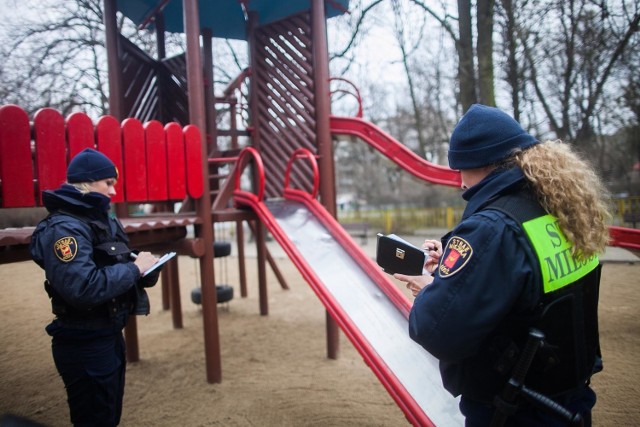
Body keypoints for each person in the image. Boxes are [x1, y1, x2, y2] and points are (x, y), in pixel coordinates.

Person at [394, 104, 610, 426]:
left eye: (460, 169)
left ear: (480, 165)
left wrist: (429, 289)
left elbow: (438, 331)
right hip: (568, 398)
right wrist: (459, 268)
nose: (460, 183)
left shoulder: (492, 227)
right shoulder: (555, 208)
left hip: (513, 410)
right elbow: (526, 282)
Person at [29, 148, 161, 427]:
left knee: (108, 416)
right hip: (83, 341)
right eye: (108, 183)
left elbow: (118, 265)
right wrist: (134, 269)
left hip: (109, 335)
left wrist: (145, 269)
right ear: (86, 183)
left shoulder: (102, 220)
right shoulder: (64, 228)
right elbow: (83, 288)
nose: (113, 191)